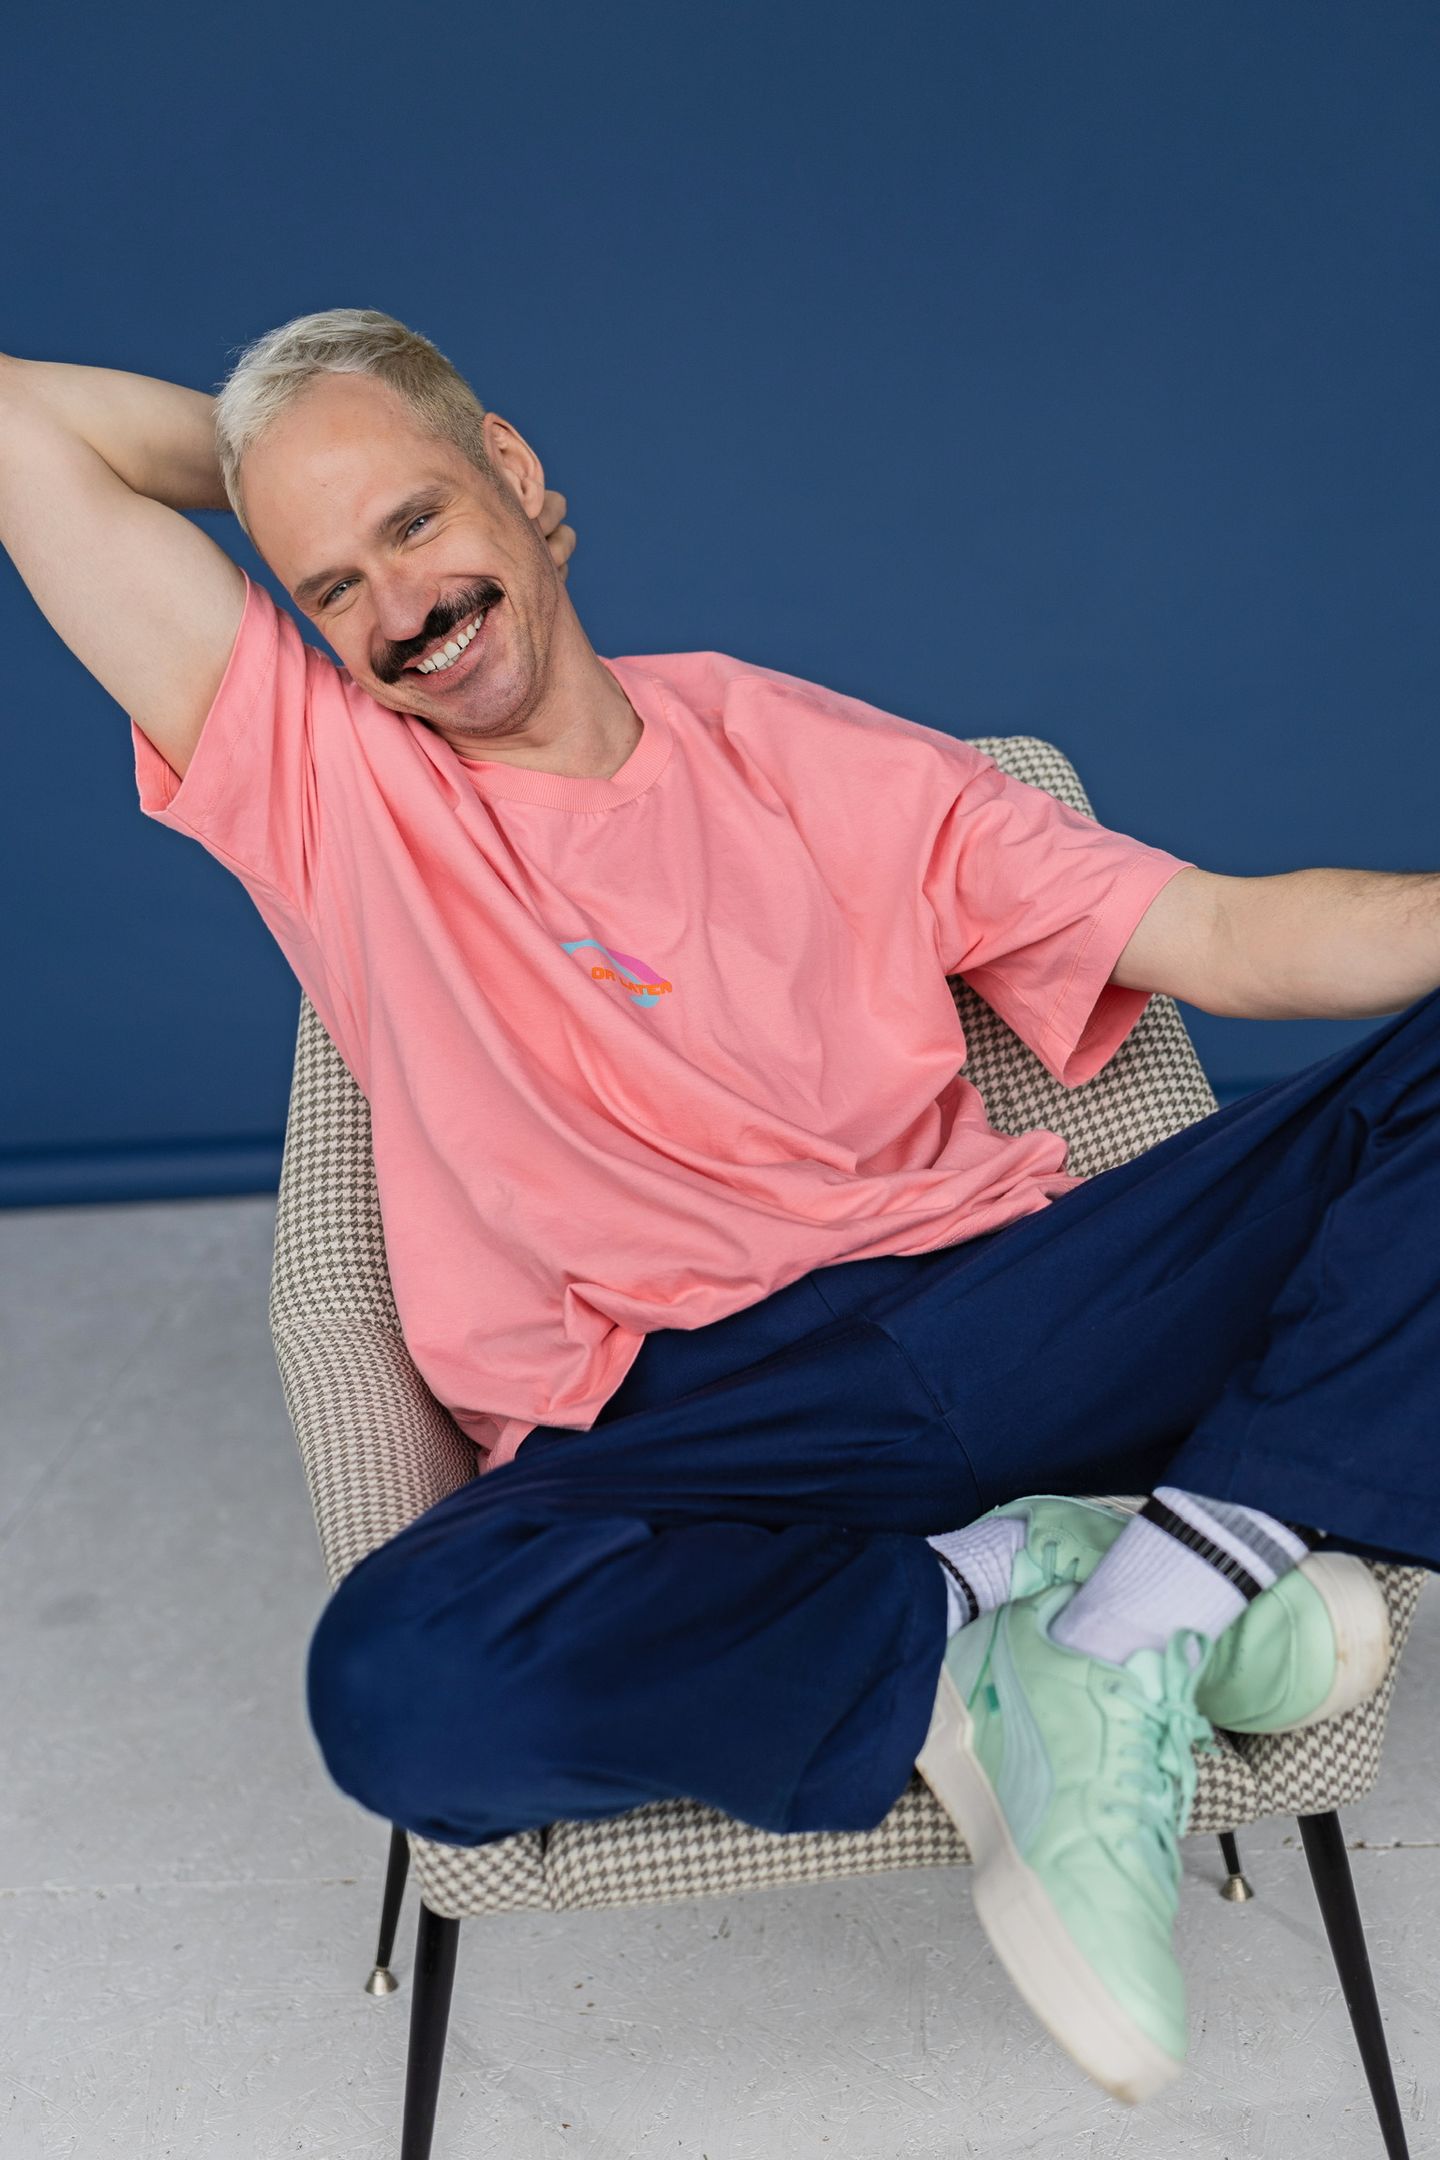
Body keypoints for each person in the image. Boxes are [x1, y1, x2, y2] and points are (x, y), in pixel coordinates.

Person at [1, 308, 1433, 2109]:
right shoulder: (330, 785)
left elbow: (1221, 932)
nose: (402, 609)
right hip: (682, 1432)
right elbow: (21, 433)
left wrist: (333, 462)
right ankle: (1062, 1597)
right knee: (402, 1693)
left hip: (1011, 1317)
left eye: (420, 522)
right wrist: (280, 462)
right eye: (333, 585)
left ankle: (1143, 1597)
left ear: (516, 471)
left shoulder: (810, 749)